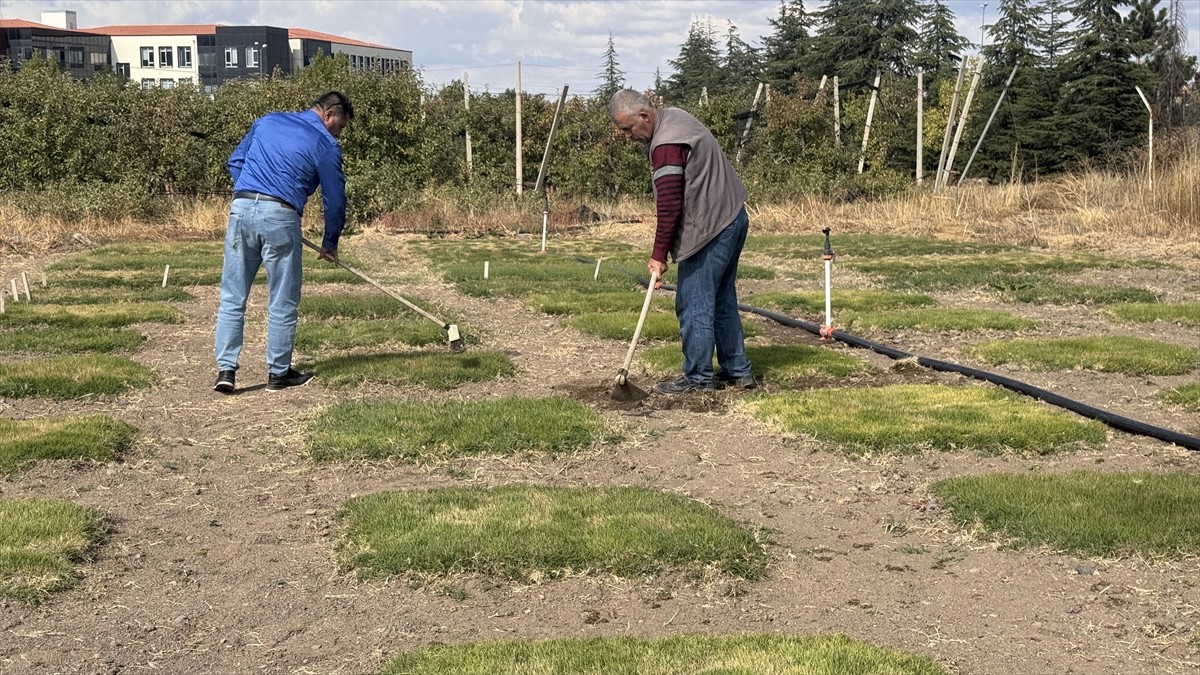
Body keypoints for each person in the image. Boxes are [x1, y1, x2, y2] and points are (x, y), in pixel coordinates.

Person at [608, 89, 755, 395]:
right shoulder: (676, 118)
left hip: (710, 229)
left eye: (627, 129)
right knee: (722, 298)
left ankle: (699, 378)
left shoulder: (665, 145)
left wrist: (658, 255)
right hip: (734, 216)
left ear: (644, 116)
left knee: (694, 303)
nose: (626, 136)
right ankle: (738, 371)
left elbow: (670, 204)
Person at [213, 91, 353, 393]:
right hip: (280, 215)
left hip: (241, 209)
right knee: (283, 299)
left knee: (233, 295)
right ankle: (278, 374)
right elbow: (335, 200)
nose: (340, 132)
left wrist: (254, 195)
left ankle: (226, 372)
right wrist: (331, 242)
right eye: (341, 125)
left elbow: (235, 161)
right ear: (331, 114)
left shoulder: (267, 121)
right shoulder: (326, 145)